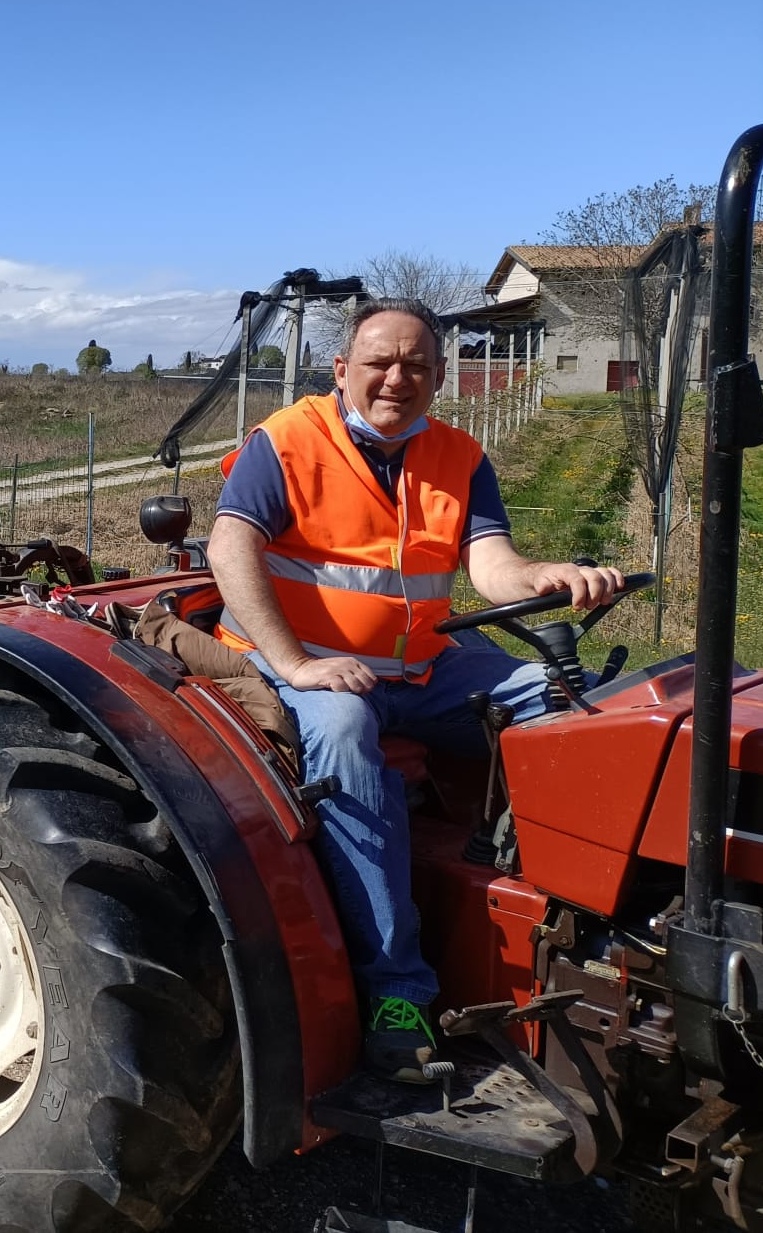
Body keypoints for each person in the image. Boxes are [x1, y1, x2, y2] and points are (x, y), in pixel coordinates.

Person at [206, 298, 622, 1081]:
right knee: (344, 734)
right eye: (380, 362)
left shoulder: (459, 455)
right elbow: (231, 549)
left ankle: (601, 920)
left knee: (573, 702)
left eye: (417, 366)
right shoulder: (287, 441)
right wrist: (296, 665)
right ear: (343, 370)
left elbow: (490, 563)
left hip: (427, 666)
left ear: (438, 377)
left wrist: (541, 576)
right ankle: (397, 990)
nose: (397, 378)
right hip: (308, 666)